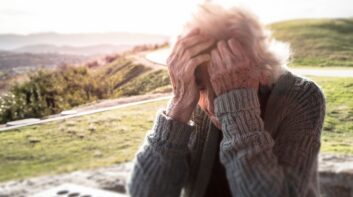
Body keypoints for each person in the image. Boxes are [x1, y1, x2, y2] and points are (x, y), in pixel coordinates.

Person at [127, 3, 325, 197]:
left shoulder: (302, 96)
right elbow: (145, 192)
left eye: (227, 83)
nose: (212, 106)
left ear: (261, 68)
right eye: (202, 85)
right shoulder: (192, 98)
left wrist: (237, 112)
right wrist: (178, 108)